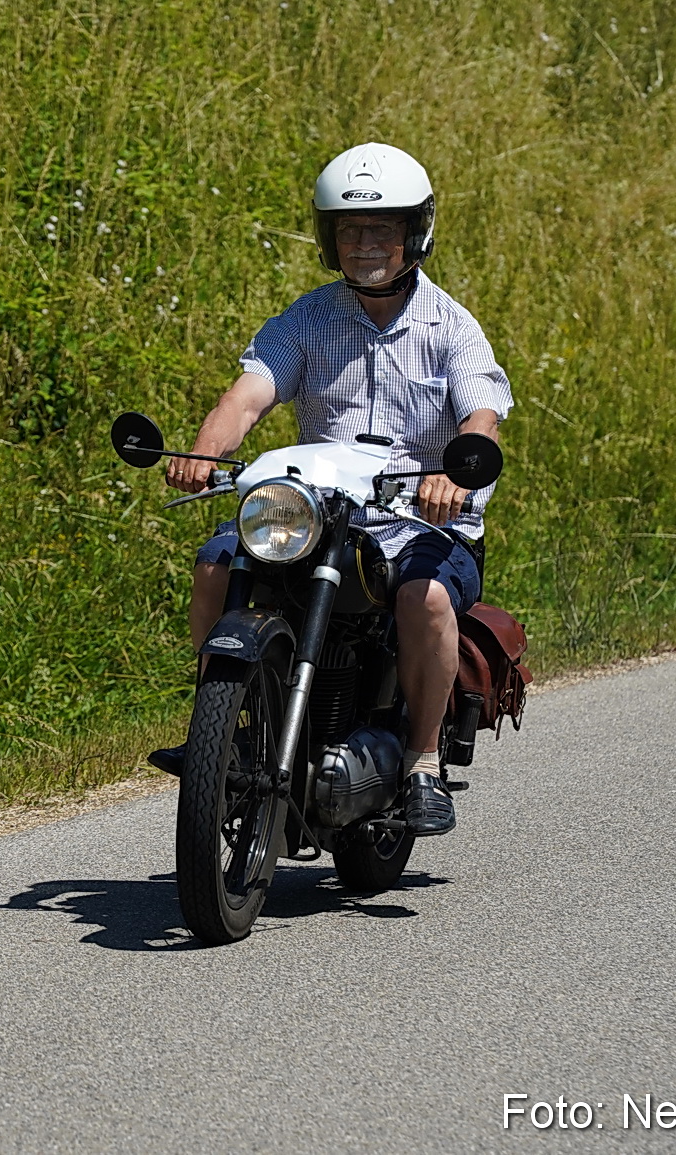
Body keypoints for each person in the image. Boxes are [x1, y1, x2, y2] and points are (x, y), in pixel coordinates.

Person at [148, 142, 514, 838]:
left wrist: (453, 476)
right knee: (214, 562)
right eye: (350, 229)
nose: (366, 243)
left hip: (420, 524)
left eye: (381, 228)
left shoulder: (452, 329)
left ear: (416, 232)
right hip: (315, 516)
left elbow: (482, 417)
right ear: (329, 237)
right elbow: (246, 398)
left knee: (425, 596)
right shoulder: (308, 320)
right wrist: (203, 451)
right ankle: (223, 728)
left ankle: (421, 763)